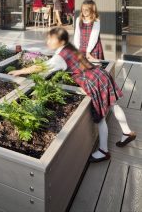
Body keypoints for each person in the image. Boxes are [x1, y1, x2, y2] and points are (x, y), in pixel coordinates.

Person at [9, 27, 136, 162]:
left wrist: (20, 71)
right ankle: (127, 131)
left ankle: (103, 151)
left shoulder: (60, 57)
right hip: (100, 75)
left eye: (50, 39)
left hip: (92, 81)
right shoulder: (70, 47)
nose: (48, 42)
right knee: (113, 104)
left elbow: (41, 67)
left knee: (100, 117)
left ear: (60, 40)